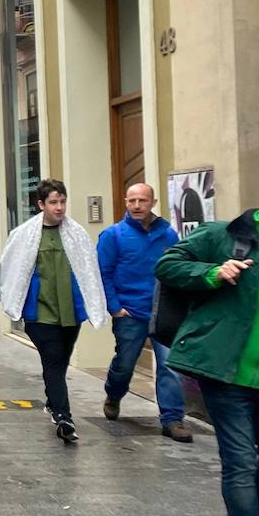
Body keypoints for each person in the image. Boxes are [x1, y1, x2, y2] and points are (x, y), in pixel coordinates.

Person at [154, 206, 259, 516]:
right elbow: (168, 263)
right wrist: (213, 273)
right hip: (226, 375)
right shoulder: (226, 235)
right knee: (240, 462)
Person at [0, 179, 107, 444]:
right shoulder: (24, 235)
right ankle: (64, 417)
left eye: (62, 201)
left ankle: (52, 398)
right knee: (53, 359)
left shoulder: (76, 234)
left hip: (70, 313)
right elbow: (9, 267)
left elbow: (88, 269)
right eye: (53, 202)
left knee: (60, 359)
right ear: (41, 204)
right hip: (39, 313)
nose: (59, 207)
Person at [96, 183, 189, 441]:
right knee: (125, 364)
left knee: (170, 365)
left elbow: (178, 268)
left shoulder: (168, 235)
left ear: (153, 202)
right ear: (126, 203)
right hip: (130, 313)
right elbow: (102, 273)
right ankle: (114, 394)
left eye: (142, 201)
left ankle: (172, 419)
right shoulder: (113, 236)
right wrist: (115, 308)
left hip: (163, 312)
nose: (137, 206)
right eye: (132, 201)